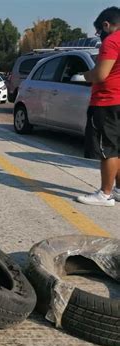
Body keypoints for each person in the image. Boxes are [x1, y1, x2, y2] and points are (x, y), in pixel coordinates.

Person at [77, 6, 120, 206]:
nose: (99, 35)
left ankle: (105, 193)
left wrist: (86, 75)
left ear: (106, 25)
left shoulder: (111, 42)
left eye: (99, 31)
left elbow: (101, 74)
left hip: (107, 101)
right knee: (117, 149)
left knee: (108, 150)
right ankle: (117, 190)